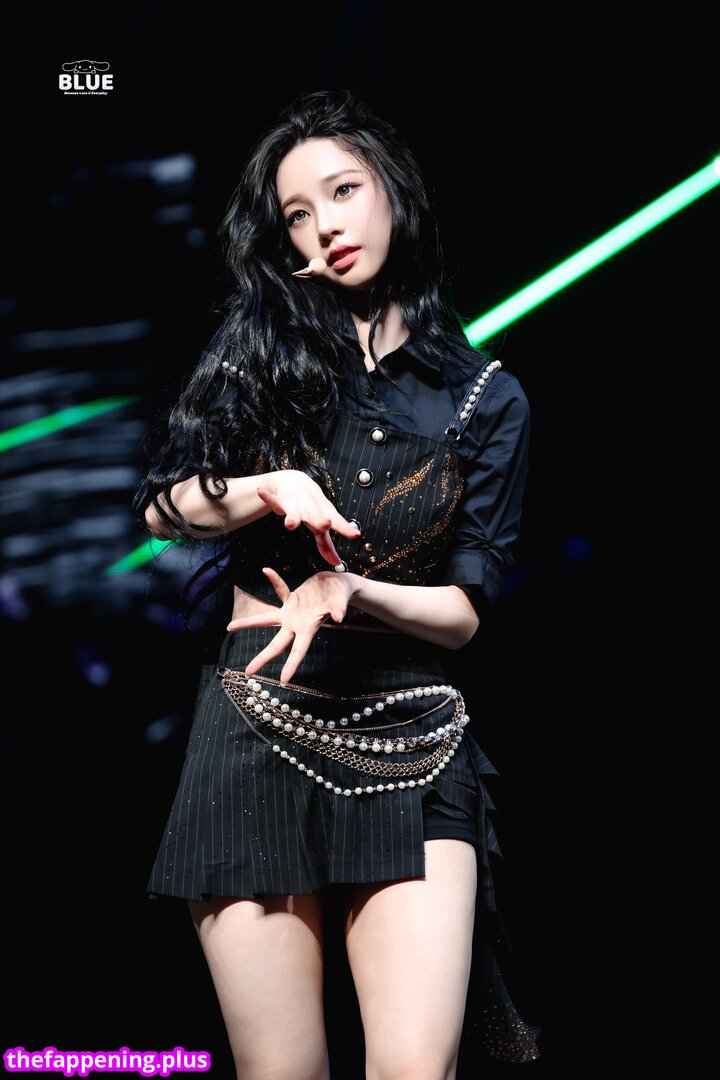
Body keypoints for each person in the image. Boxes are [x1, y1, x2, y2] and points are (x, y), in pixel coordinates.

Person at [133, 87, 542, 1078]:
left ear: (394, 191)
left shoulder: (485, 399)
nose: (325, 225)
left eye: (344, 191)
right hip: (255, 721)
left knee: (413, 1067)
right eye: (297, 214)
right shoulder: (260, 356)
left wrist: (352, 592)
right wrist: (267, 486)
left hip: (413, 732)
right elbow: (163, 510)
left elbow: (464, 614)